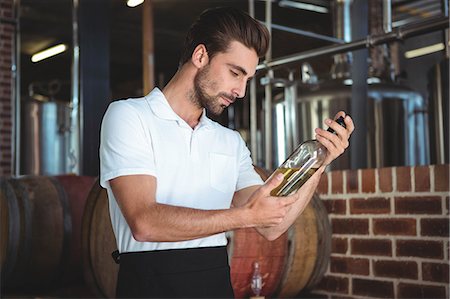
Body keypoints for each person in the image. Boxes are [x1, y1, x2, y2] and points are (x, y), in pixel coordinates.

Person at [99, 6, 354, 299]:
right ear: (200, 56)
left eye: (247, 79)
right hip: (147, 286)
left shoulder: (229, 142)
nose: (241, 91)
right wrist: (244, 215)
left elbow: (273, 226)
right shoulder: (130, 116)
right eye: (235, 73)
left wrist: (319, 163)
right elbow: (144, 222)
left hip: (215, 284)